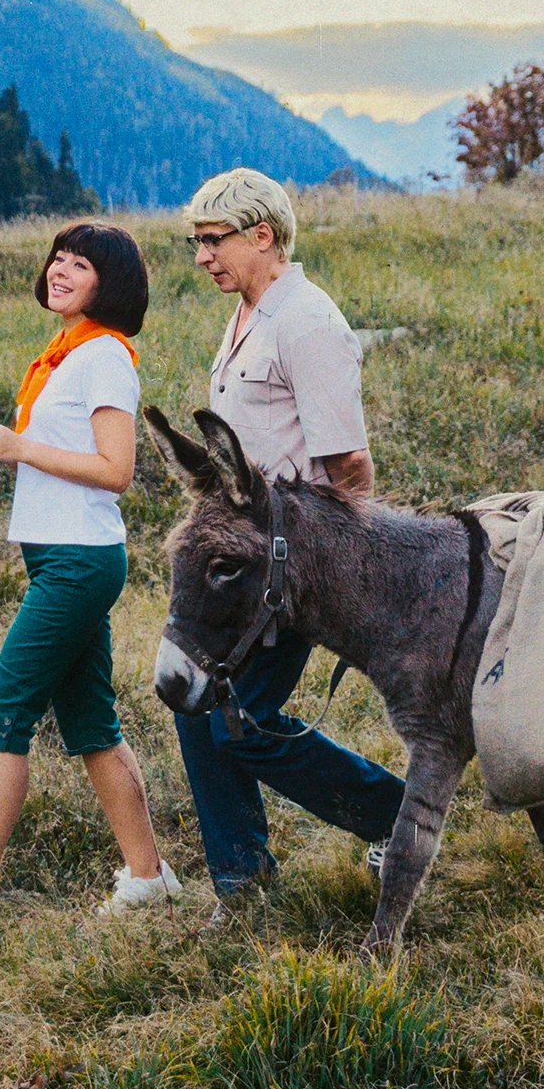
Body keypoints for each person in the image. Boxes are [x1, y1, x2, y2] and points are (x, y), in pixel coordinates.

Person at [0, 222, 183, 931]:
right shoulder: (65, 352)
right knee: (91, 724)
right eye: (58, 258)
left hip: (78, 561)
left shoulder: (104, 355)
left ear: (109, 285)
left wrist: (22, 445)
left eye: (80, 264)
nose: (60, 270)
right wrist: (14, 449)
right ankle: (149, 876)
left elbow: (117, 472)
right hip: (61, 556)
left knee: (5, 711)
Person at [175, 169, 405, 902]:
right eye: (197, 243)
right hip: (242, 556)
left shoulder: (306, 322)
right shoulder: (250, 311)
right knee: (200, 703)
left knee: (240, 722)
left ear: (263, 235)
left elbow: (349, 463)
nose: (203, 257)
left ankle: (399, 817)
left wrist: (342, 570)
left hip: (294, 562)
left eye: (215, 241)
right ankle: (242, 881)